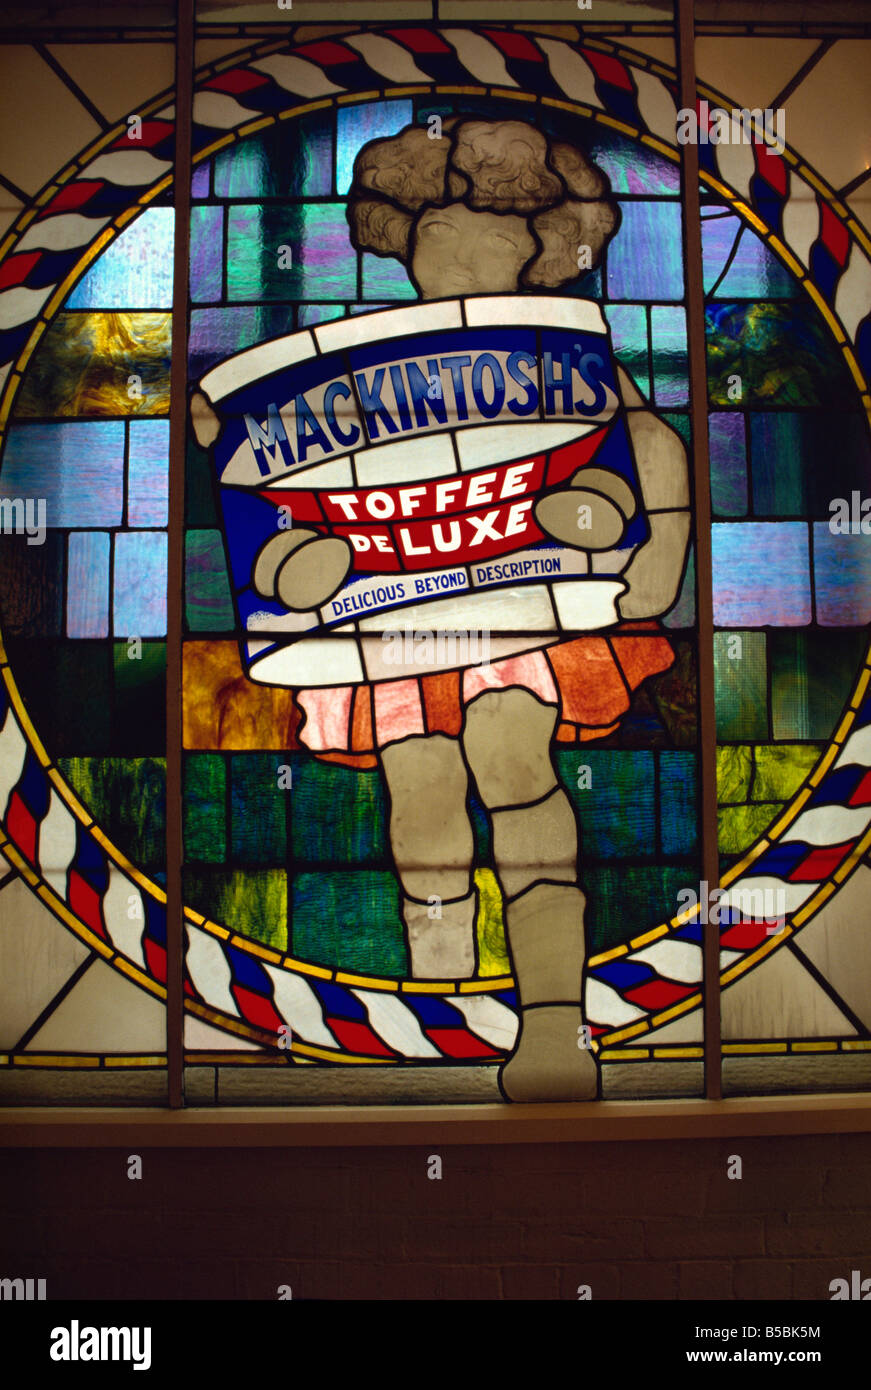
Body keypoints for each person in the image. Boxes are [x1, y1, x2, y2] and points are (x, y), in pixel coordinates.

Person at [252, 118, 691, 1101]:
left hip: (525, 605)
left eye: (487, 229)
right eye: (433, 231)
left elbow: (647, 445)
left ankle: (547, 1024)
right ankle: (441, 1019)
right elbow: (293, 479)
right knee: (418, 799)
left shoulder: (562, 354)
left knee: (513, 767)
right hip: (400, 615)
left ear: (539, 248)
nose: (455, 250)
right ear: (401, 244)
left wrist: (648, 549)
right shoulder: (363, 371)